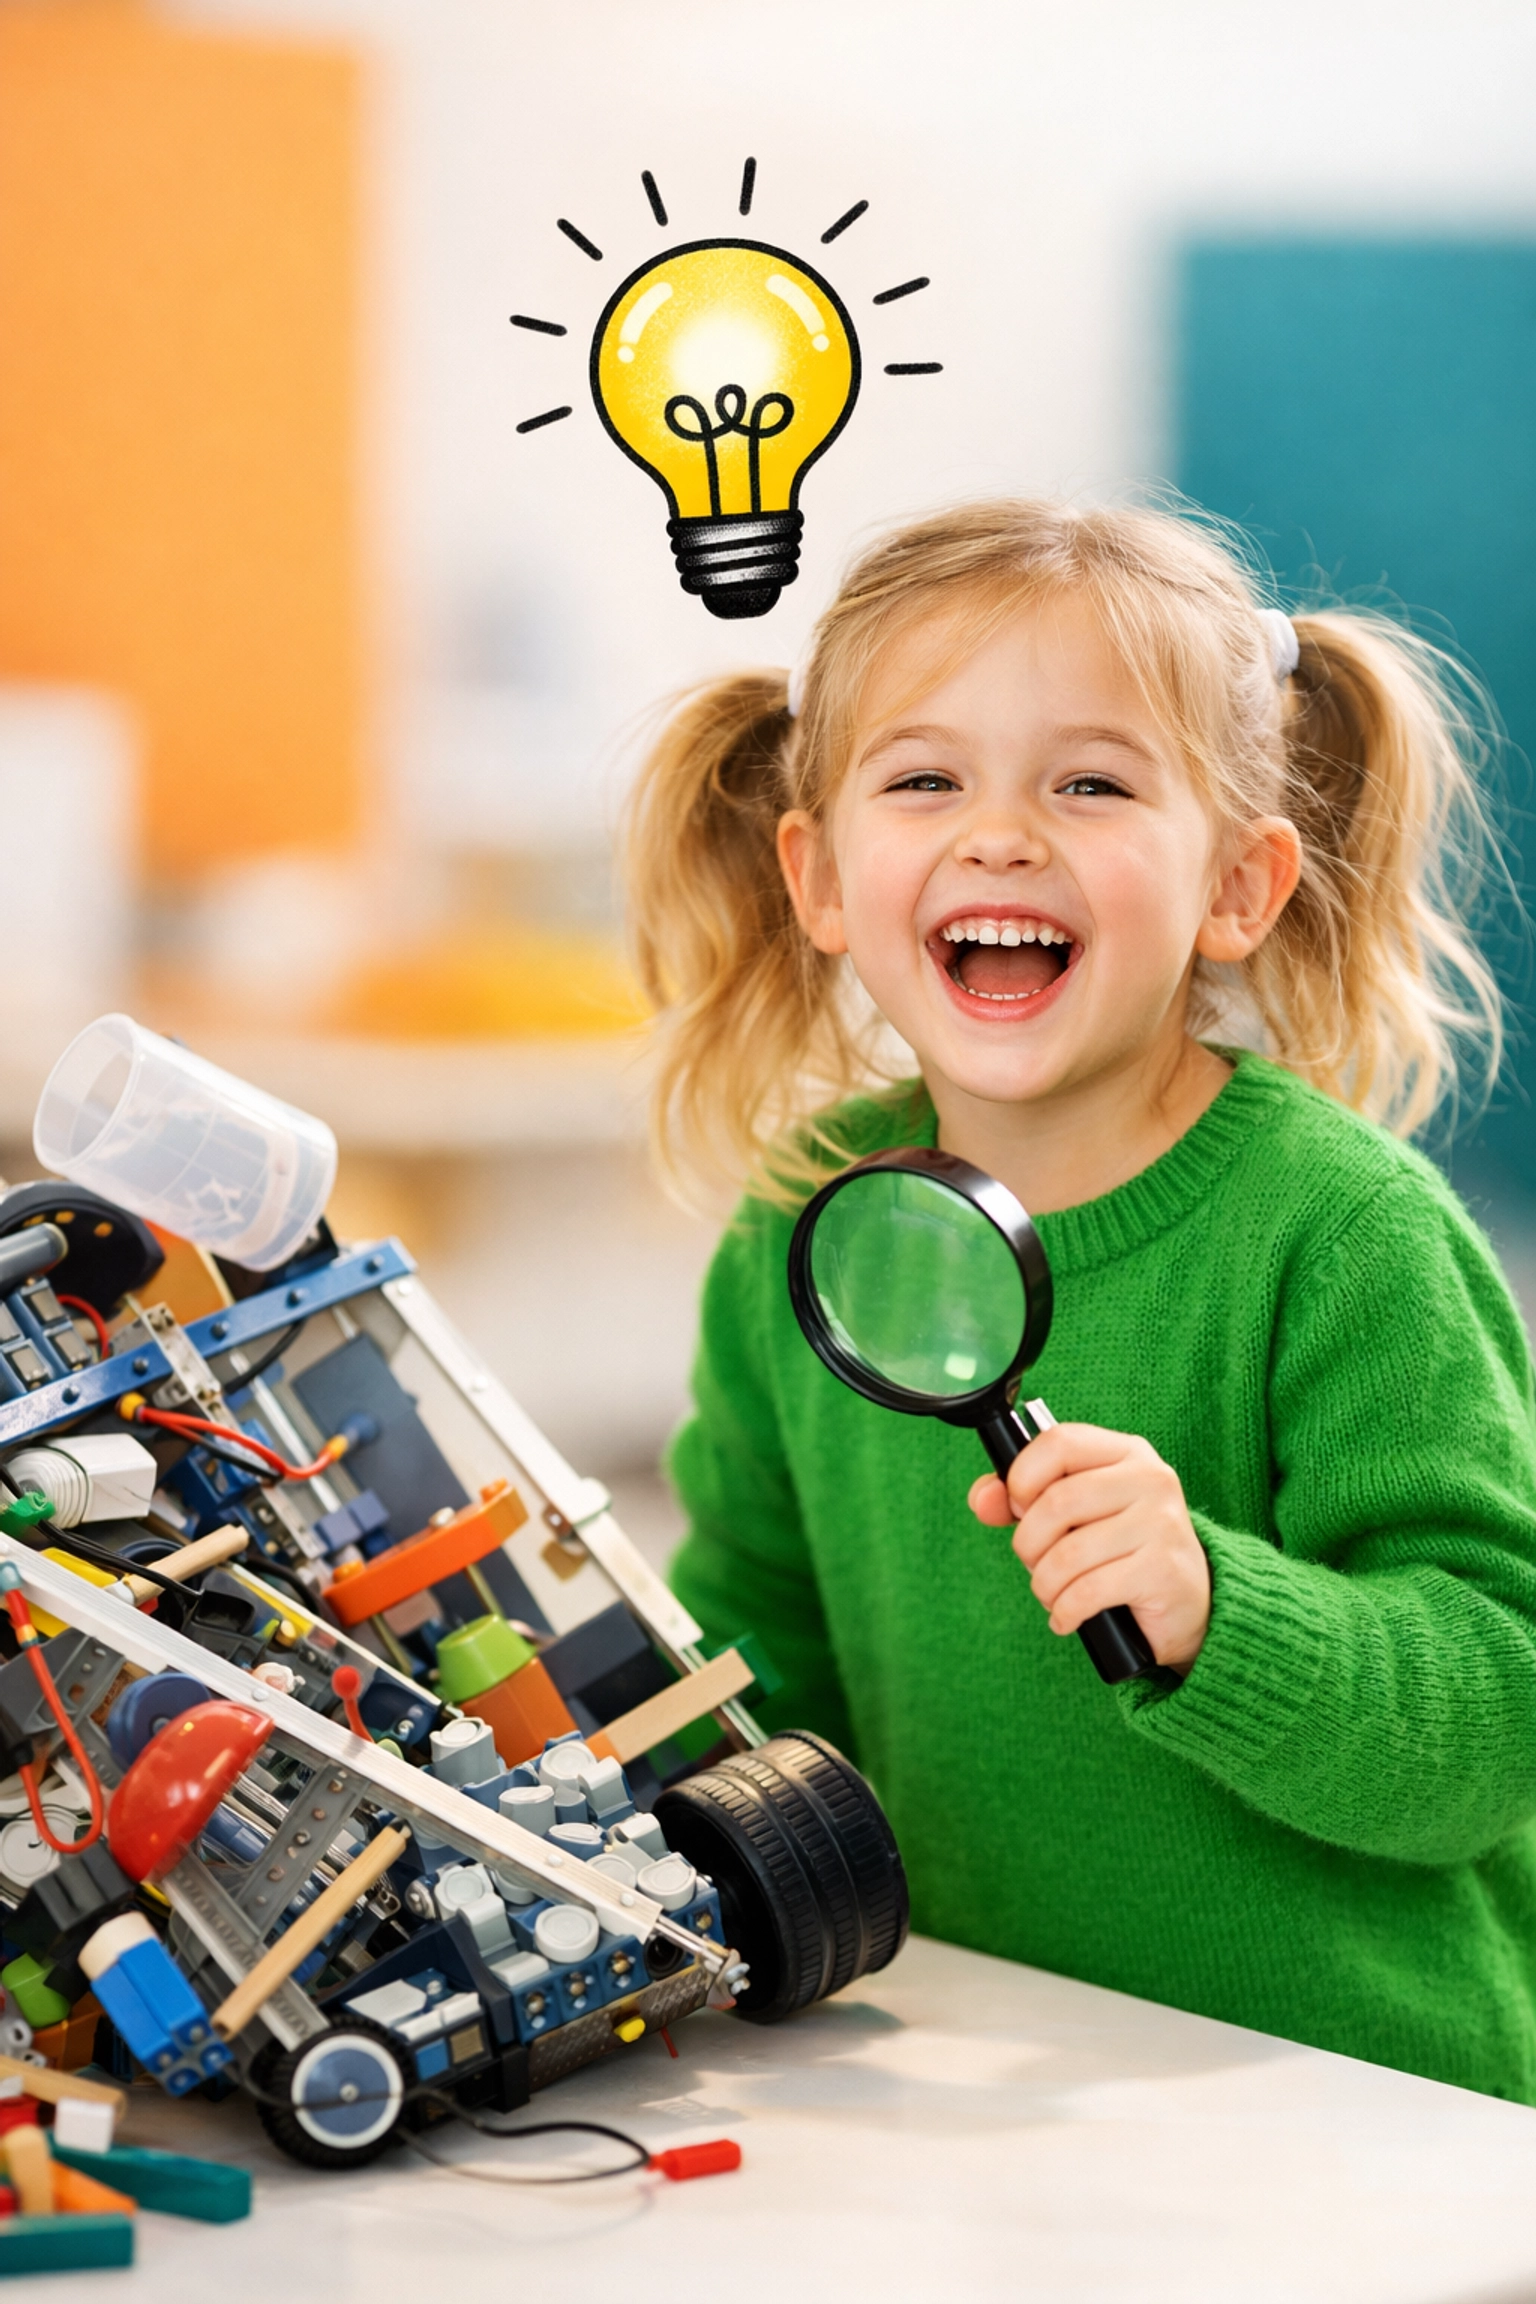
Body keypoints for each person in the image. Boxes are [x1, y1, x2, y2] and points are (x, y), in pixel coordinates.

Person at [624, 498, 1536, 2100]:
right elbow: (756, 1675)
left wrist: (1214, 1608)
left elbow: (1495, 1728)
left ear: (1239, 887)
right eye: (926, 780)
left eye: (1092, 784)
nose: (1000, 836)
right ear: (821, 875)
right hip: (985, 2082)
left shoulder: (1343, 1233)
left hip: (1359, 2112)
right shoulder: (803, 1233)